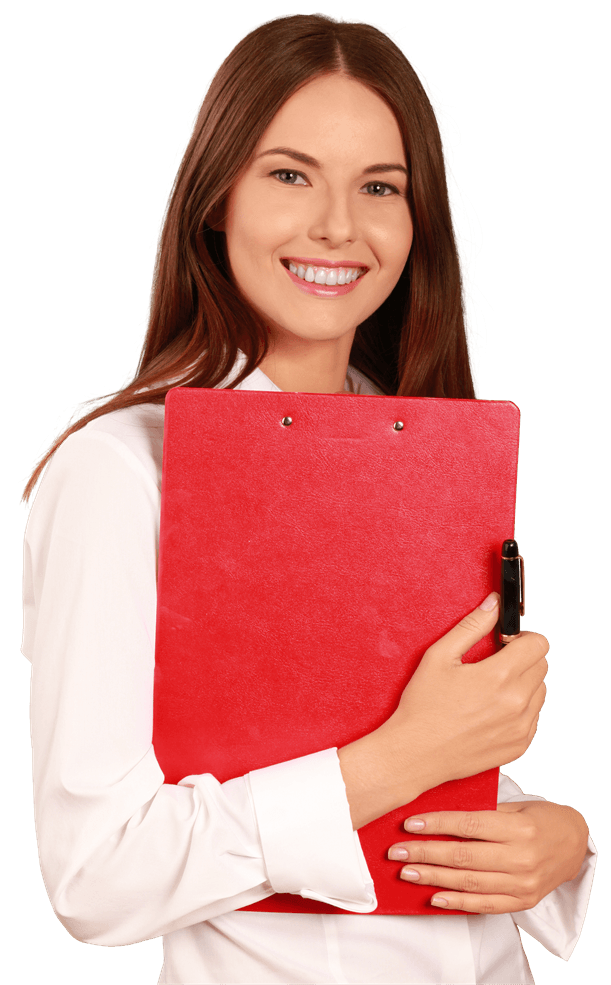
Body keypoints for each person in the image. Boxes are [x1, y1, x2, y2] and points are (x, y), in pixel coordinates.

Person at [21, 13, 595, 985]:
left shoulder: (430, 448)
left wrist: (557, 843)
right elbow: (96, 874)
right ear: (217, 199)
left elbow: (405, 738)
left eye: (378, 187)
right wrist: (398, 758)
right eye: (289, 175)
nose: (338, 224)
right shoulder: (119, 470)